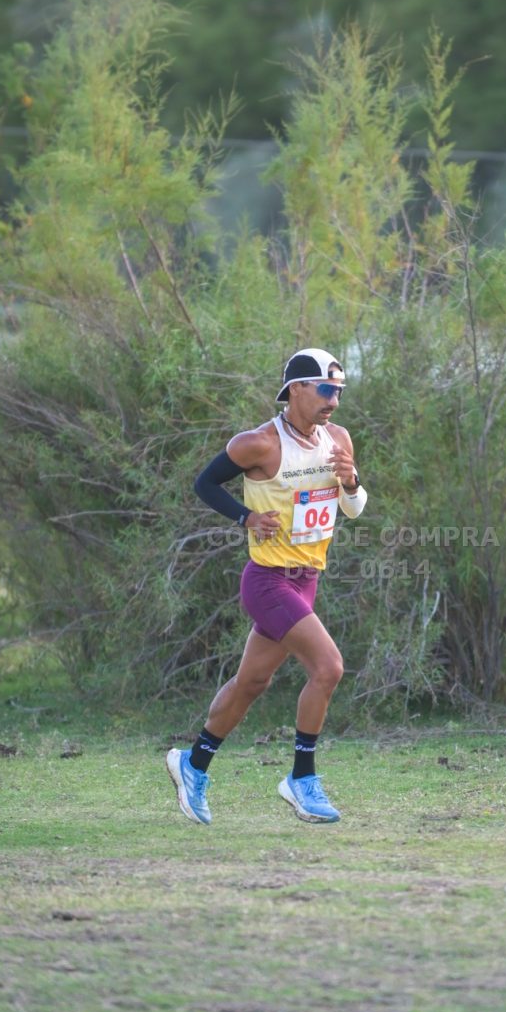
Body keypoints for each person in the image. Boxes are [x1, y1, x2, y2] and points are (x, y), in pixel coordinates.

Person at [166, 348, 367, 826]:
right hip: (268, 581)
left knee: (252, 683)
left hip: (307, 580)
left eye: (339, 391)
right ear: (296, 389)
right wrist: (247, 517)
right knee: (329, 667)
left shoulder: (338, 439)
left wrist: (351, 481)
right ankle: (302, 778)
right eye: (326, 390)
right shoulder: (259, 444)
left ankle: (193, 763)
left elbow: (354, 508)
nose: (334, 401)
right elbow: (205, 484)